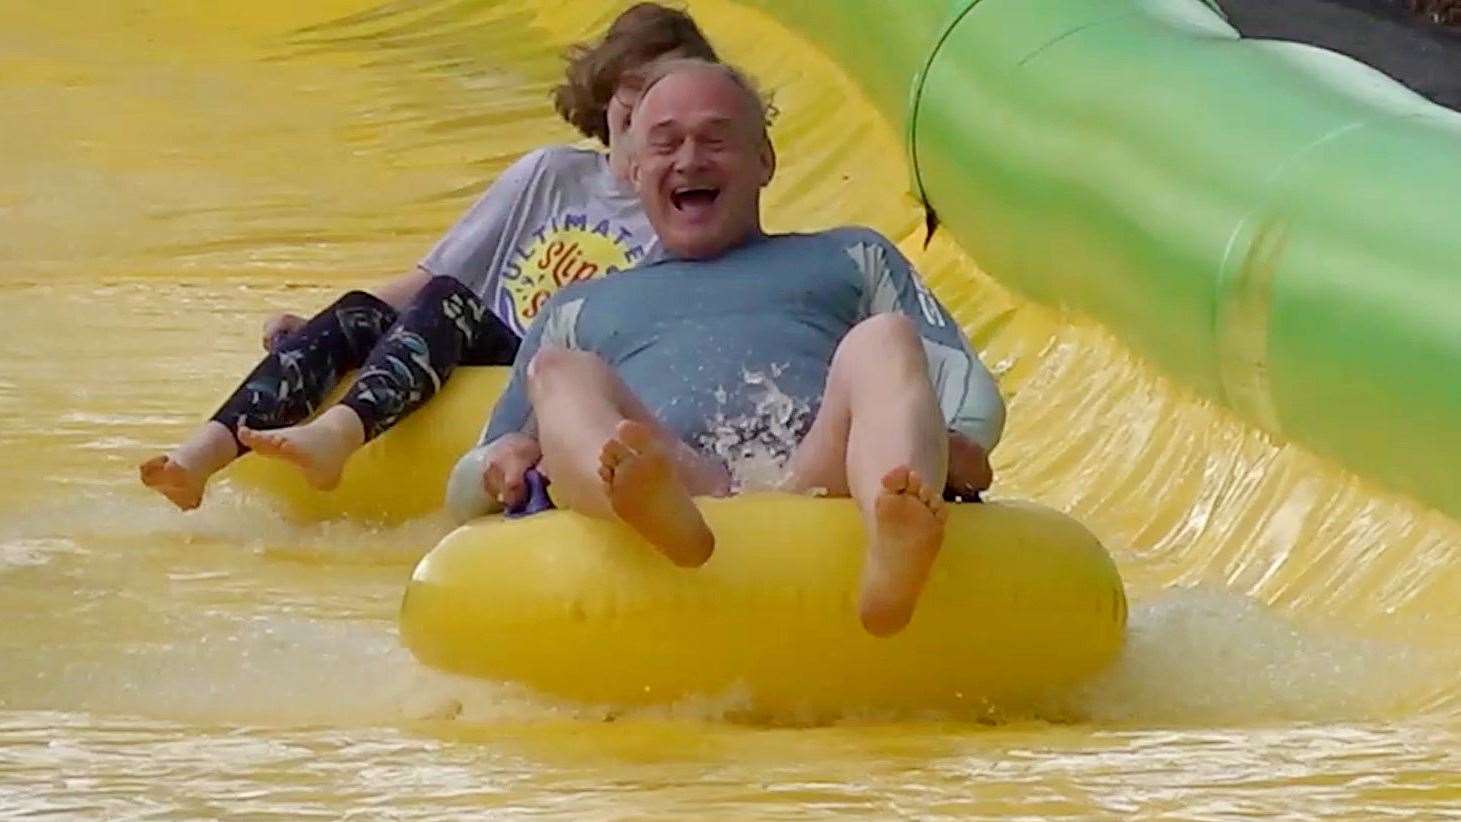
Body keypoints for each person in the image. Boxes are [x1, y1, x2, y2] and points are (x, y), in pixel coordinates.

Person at [450, 59, 1006, 637]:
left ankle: (895, 532)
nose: (690, 160)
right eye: (666, 145)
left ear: (764, 161)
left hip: (819, 475)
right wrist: (501, 462)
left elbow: (969, 391)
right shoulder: (579, 307)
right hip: (676, 476)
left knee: (884, 339)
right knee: (558, 372)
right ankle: (647, 507)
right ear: (634, 171)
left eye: (715, 140)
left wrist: (955, 444)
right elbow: (465, 482)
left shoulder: (850, 256)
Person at [139, 4, 720, 510]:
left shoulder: (679, 210)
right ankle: (201, 456)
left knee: (450, 305)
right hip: (460, 336)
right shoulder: (550, 174)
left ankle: (341, 435)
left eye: (668, 93)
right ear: (607, 95)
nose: (649, 105)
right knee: (362, 310)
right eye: (635, 87)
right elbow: (432, 275)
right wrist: (322, 325)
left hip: (537, 372)